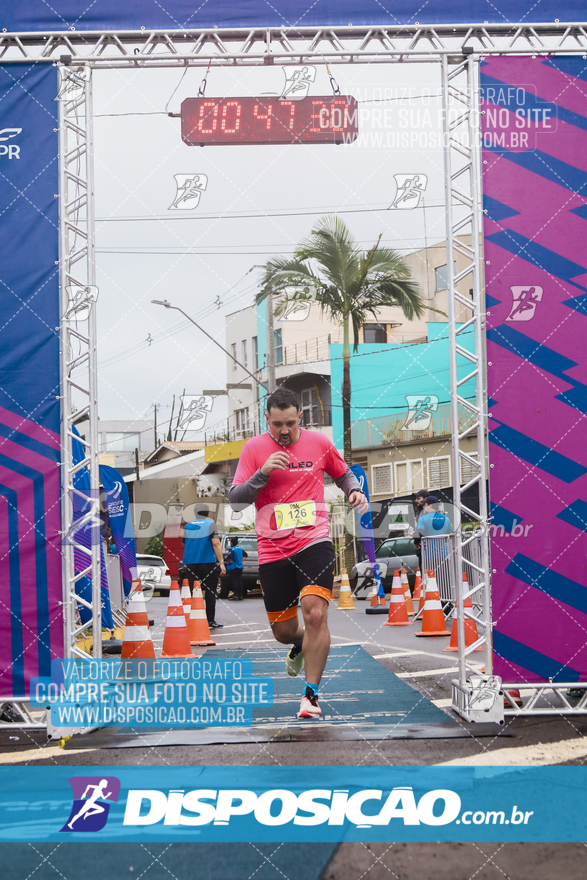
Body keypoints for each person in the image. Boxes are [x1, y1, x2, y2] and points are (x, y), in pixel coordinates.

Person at [229, 387, 367, 720]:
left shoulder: (319, 443)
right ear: (267, 420)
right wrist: (262, 474)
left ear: (300, 417)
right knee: (284, 632)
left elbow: (343, 473)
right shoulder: (254, 449)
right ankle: (300, 644)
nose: (285, 431)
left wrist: (354, 491)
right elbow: (235, 500)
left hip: (314, 541)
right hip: (272, 548)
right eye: (277, 424)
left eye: (290, 423)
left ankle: (311, 696)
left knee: (315, 613)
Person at [179, 506, 226, 629]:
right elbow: (216, 543)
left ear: (195, 513)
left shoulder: (188, 526)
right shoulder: (211, 524)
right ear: (207, 513)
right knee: (210, 592)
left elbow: (184, 542)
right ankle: (210, 621)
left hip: (189, 563)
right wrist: (221, 562)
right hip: (207, 563)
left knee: (190, 592)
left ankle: (189, 619)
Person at [225, 536, 248, 601]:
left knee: (234, 581)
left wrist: (229, 562)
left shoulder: (232, 549)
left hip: (234, 567)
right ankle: (240, 595)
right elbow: (245, 555)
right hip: (240, 566)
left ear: (231, 543)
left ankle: (236, 595)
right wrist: (241, 560)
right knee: (239, 581)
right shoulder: (240, 548)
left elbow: (230, 556)